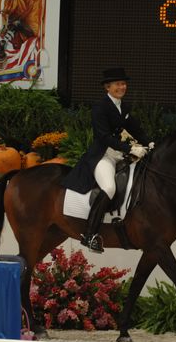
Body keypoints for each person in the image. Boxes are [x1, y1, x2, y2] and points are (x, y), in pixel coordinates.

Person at [61, 67, 153, 253]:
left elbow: (135, 128)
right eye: (118, 84)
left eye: (124, 83)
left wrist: (150, 143)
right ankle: (90, 234)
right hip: (102, 155)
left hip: (118, 154)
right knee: (109, 187)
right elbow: (103, 137)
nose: (122, 86)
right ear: (107, 87)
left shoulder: (123, 107)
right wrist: (130, 148)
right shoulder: (100, 108)